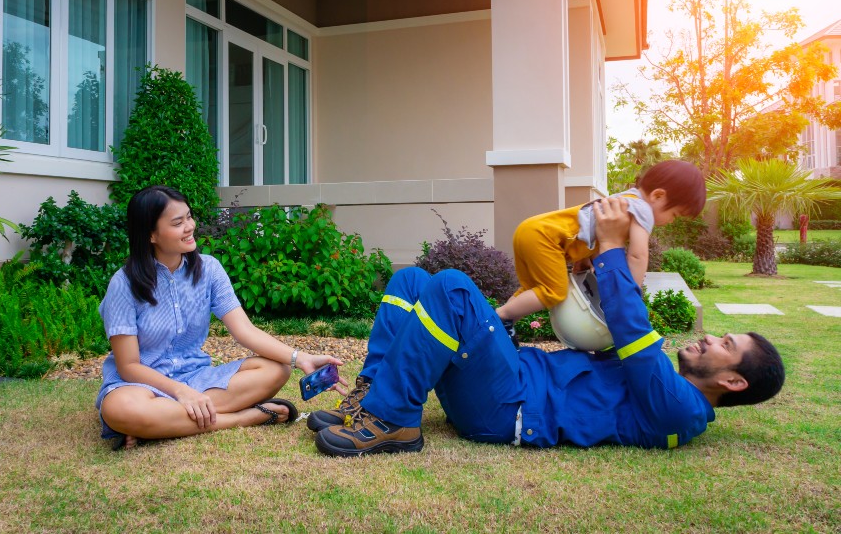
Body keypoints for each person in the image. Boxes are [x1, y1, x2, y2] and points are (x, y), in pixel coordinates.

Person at [309, 196, 785, 457]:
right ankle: (369, 402)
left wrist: (615, 247)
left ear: (733, 380)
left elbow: (629, 327)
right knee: (413, 280)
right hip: (509, 377)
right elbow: (603, 317)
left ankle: (394, 422)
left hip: (506, 406)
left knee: (452, 288)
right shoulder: (664, 382)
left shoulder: (682, 410)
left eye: (725, 344)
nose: (708, 338)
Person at [97, 186, 346, 450]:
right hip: (142, 385)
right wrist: (181, 392)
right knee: (120, 409)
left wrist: (301, 358)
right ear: (150, 234)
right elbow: (129, 366)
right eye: (177, 222)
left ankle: (160, 423)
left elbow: (245, 331)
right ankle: (244, 417)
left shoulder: (209, 269)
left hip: (198, 378)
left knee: (277, 369)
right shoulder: (124, 284)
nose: (189, 226)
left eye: (189, 217)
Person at [498, 160, 707, 329]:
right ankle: (502, 315)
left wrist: (583, 257)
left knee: (532, 289)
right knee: (554, 292)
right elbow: (638, 255)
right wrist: (629, 293)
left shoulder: (625, 199)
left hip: (531, 230)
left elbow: (588, 226)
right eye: (674, 215)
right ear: (658, 196)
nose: (671, 221)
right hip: (544, 238)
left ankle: (499, 324)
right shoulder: (642, 209)